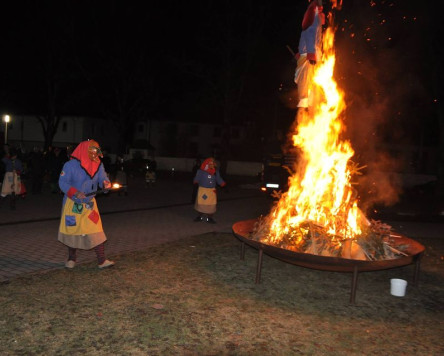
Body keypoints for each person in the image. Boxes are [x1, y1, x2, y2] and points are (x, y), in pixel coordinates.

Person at [57, 139, 115, 269]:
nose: (95, 153)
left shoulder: (98, 165)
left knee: (96, 230)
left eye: (97, 151)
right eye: (93, 150)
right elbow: (63, 183)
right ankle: (71, 259)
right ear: (85, 150)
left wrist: (106, 184)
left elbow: (103, 178)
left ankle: (102, 260)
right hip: (72, 204)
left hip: (89, 204)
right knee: (72, 231)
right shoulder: (70, 165)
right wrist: (75, 193)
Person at [294, 0, 325, 109]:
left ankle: (310, 102)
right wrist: (310, 53)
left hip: (309, 54)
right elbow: (309, 35)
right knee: (305, 78)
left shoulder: (314, 17)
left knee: (309, 78)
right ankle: (305, 102)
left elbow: (307, 36)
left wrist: (301, 52)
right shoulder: (314, 17)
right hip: (310, 55)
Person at [193, 157, 226, 224]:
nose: (211, 165)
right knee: (201, 204)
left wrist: (223, 184)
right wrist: (195, 181)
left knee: (211, 205)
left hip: (211, 191)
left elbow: (219, 179)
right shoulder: (201, 171)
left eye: (213, 163)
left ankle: (209, 218)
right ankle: (200, 216)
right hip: (202, 191)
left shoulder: (216, 172)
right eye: (210, 163)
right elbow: (197, 178)